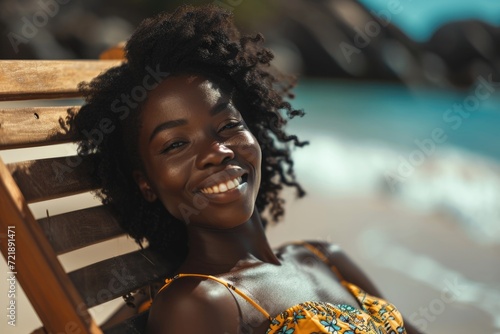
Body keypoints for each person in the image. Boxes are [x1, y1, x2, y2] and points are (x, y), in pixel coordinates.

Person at [73, 4, 423, 334]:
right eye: (176, 144)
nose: (218, 151)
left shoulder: (322, 256)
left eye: (228, 126)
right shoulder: (198, 304)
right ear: (145, 183)